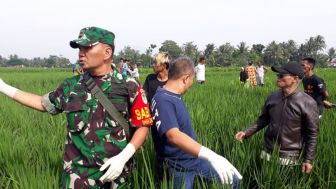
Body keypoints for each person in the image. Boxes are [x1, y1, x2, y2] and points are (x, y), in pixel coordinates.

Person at [0, 26, 151, 189]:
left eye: (87, 47)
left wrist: (124, 157)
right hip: (77, 177)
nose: (81, 52)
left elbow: (143, 125)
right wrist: (3, 86)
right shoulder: (71, 85)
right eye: (79, 48)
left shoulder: (129, 85)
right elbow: (42, 103)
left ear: (107, 53)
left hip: (116, 176)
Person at [151, 57, 242, 189]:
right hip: (179, 165)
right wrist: (211, 156)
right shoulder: (163, 100)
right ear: (185, 78)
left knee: (232, 180)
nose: (191, 84)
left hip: (193, 158)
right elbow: (173, 135)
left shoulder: (171, 96)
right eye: (192, 80)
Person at [235, 62, 319, 176]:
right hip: (267, 152)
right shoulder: (272, 96)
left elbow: (312, 134)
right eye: (278, 75)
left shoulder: (307, 102)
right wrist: (246, 132)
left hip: (290, 157)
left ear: (295, 78)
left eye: (282, 75)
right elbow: (263, 119)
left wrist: (308, 160)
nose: (278, 77)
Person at [143, 52, 171, 182]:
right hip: (154, 122)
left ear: (164, 65)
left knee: (170, 148)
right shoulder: (150, 79)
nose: (153, 65)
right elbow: (144, 97)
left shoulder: (172, 79)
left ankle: (171, 175)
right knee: (159, 150)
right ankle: (160, 178)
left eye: (156, 63)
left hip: (169, 122)